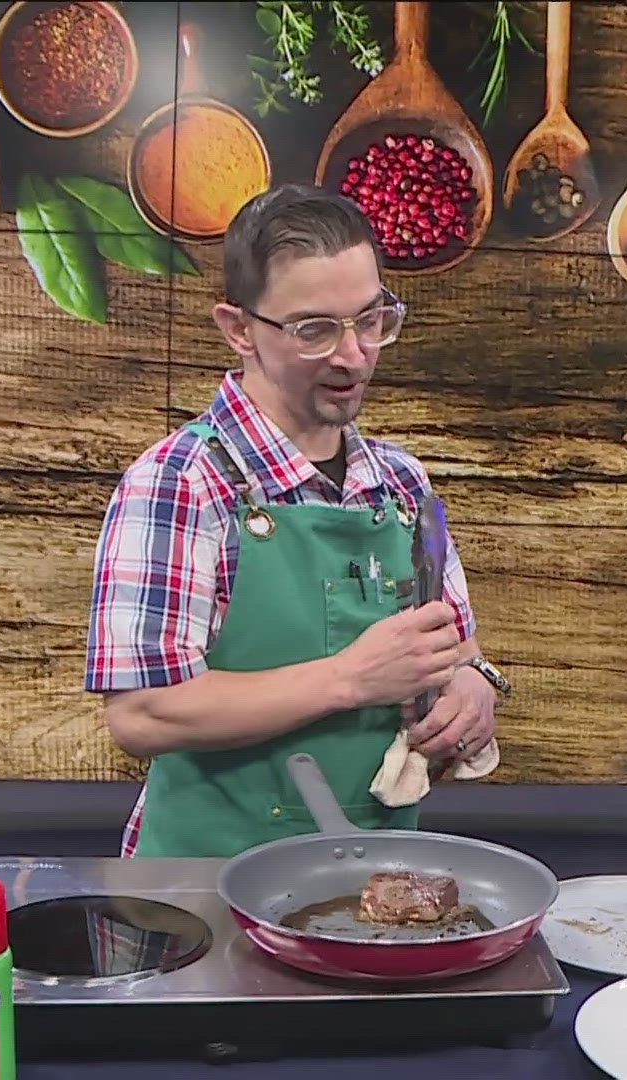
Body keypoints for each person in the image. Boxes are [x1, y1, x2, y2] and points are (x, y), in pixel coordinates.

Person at [84, 184, 512, 859]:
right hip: (203, 900)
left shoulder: (404, 485)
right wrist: (349, 679)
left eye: (371, 320)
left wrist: (473, 686)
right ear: (239, 329)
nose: (353, 355)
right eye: (315, 329)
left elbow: (455, 649)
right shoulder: (180, 482)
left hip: (373, 888)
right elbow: (141, 714)